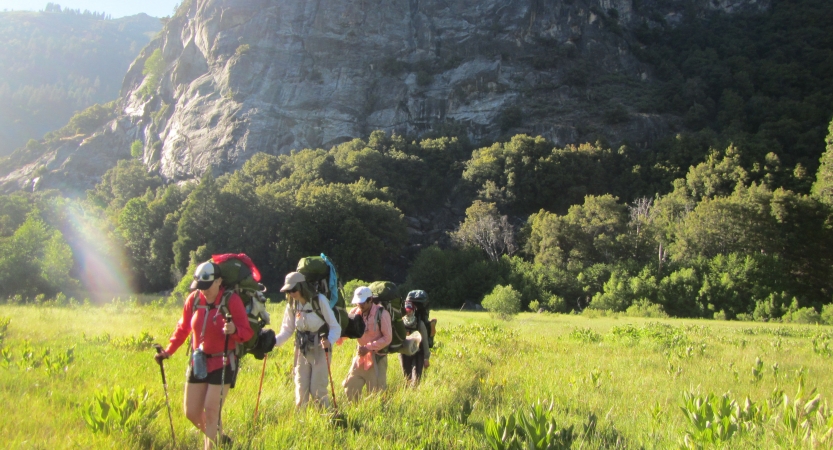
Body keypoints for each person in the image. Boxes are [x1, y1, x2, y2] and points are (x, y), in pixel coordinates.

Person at [154, 261, 253, 449]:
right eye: (200, 287)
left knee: (211, 410)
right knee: (191, 412)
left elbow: (246, 333)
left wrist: (233, 330)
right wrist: (168, 351)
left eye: (207, 286)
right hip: (198, 361)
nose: (204, 291)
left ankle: (213, 444)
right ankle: (220, 439)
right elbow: (183, 329)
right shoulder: (194, 300)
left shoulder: (231, 300)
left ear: (218, 282)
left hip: (223, 361)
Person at [271, 272, 341, 409]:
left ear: (302, 287)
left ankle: (327, 419)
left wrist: (329, 341)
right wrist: (272, 342)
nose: (291, 293)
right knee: (300, 387)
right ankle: (301, 423)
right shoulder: (292, 304)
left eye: (294, 289)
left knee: (317, 389)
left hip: (320, 348)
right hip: (301, 348)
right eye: (288, 290)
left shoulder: (319, 300)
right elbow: (287, 330)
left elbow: (335, 327)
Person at [342, 286, 391, 401]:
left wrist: (369, 348)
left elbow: (387, 338)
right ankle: (355, 412)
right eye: (358, 302)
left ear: (370, 300)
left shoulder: (382, 314)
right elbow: (348, 332)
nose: (360, 305)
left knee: (376, 393)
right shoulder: (354, 313)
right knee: (350, 387)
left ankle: (374, 414)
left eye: (363, 302)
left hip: (377, 358)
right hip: (360, 357)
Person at [400, 299, 431, 385]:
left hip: (418, 353)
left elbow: (425, 342)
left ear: (413, 310)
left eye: (410, 310)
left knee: (416, 378)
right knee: (406, 378)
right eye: (406, 311)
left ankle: (414, 392)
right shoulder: (401, 322)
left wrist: (426, 358)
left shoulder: (419, 324)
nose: (408, 312)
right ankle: (408, 395)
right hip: (404, 353)